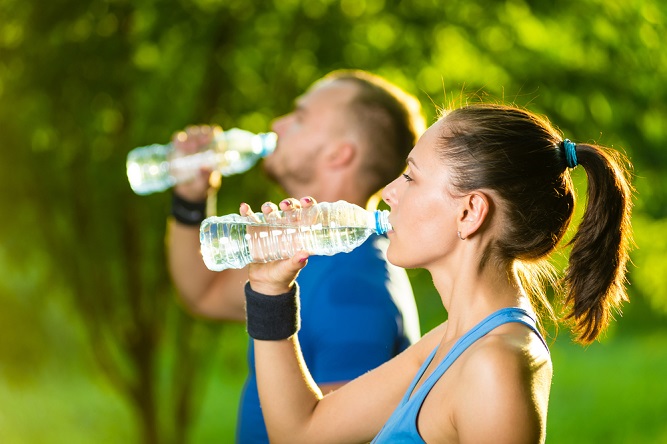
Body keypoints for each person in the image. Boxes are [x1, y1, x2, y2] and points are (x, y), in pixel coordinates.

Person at [241, 103, 634, 443]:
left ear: (469, 213)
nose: (389, 192)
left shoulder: (494, 366)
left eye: (410, 177)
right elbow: (300, 433)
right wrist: (269, 289)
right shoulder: (450, 341)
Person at [166, 70, 427, 442]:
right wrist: (190, 201)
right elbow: (202, 293)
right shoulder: (303, 252)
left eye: (300, 118)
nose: (278, 124)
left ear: (339, 153)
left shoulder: (355, 288)